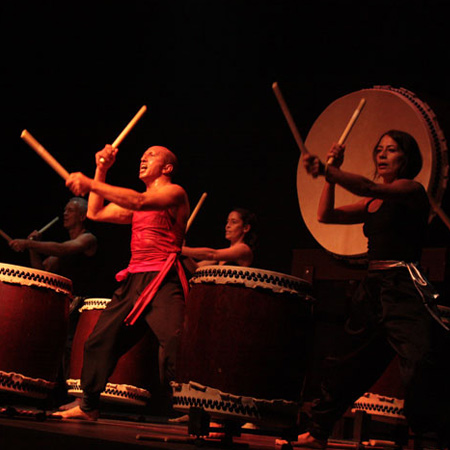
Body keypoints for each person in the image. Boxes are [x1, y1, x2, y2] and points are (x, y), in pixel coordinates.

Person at [280, 130, 449, 448]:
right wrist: (330, 176)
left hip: (402, 286)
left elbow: (369, 185)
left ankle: (427, 439)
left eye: (392, 150)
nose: (382, 155)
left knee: (420, 360)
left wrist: (330, 170)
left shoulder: (412, 190)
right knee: (346, 363)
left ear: (407, 158)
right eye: (379, 149)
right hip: (372, 289)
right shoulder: (372, 202)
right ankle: (318, 431)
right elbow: (325, 215)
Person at [56, 143, 190, 421]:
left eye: (151, 155)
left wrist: (90, 182)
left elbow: (139, 202)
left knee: (176, 346)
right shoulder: (137, 203)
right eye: (142, 156)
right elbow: (95, 213)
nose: (143, 159)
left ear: (167, 167)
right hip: (134, 279)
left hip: (162, 278)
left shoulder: (175, 193)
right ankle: (89, 406)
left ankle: (194, 409)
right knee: (99, 340)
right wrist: (101, 169)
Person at [9, 197, 98, 298]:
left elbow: (62, 249)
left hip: (84, 304)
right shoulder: (66, 247)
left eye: (70, 210)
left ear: (82, 216)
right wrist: (32, 247)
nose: (65, 213)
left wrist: (27, 244)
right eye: (65, 210)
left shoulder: (89, 238)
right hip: (68, 302)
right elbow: (42, 272)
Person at [181, 208, 257, 269]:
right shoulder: (224, 255)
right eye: (227, 222)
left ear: (246, 228)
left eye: (234, 222)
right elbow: (195, 269)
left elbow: (211, 254)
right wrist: (183, 254)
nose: (227, 226)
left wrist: (181, 249)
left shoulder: (243, 249)